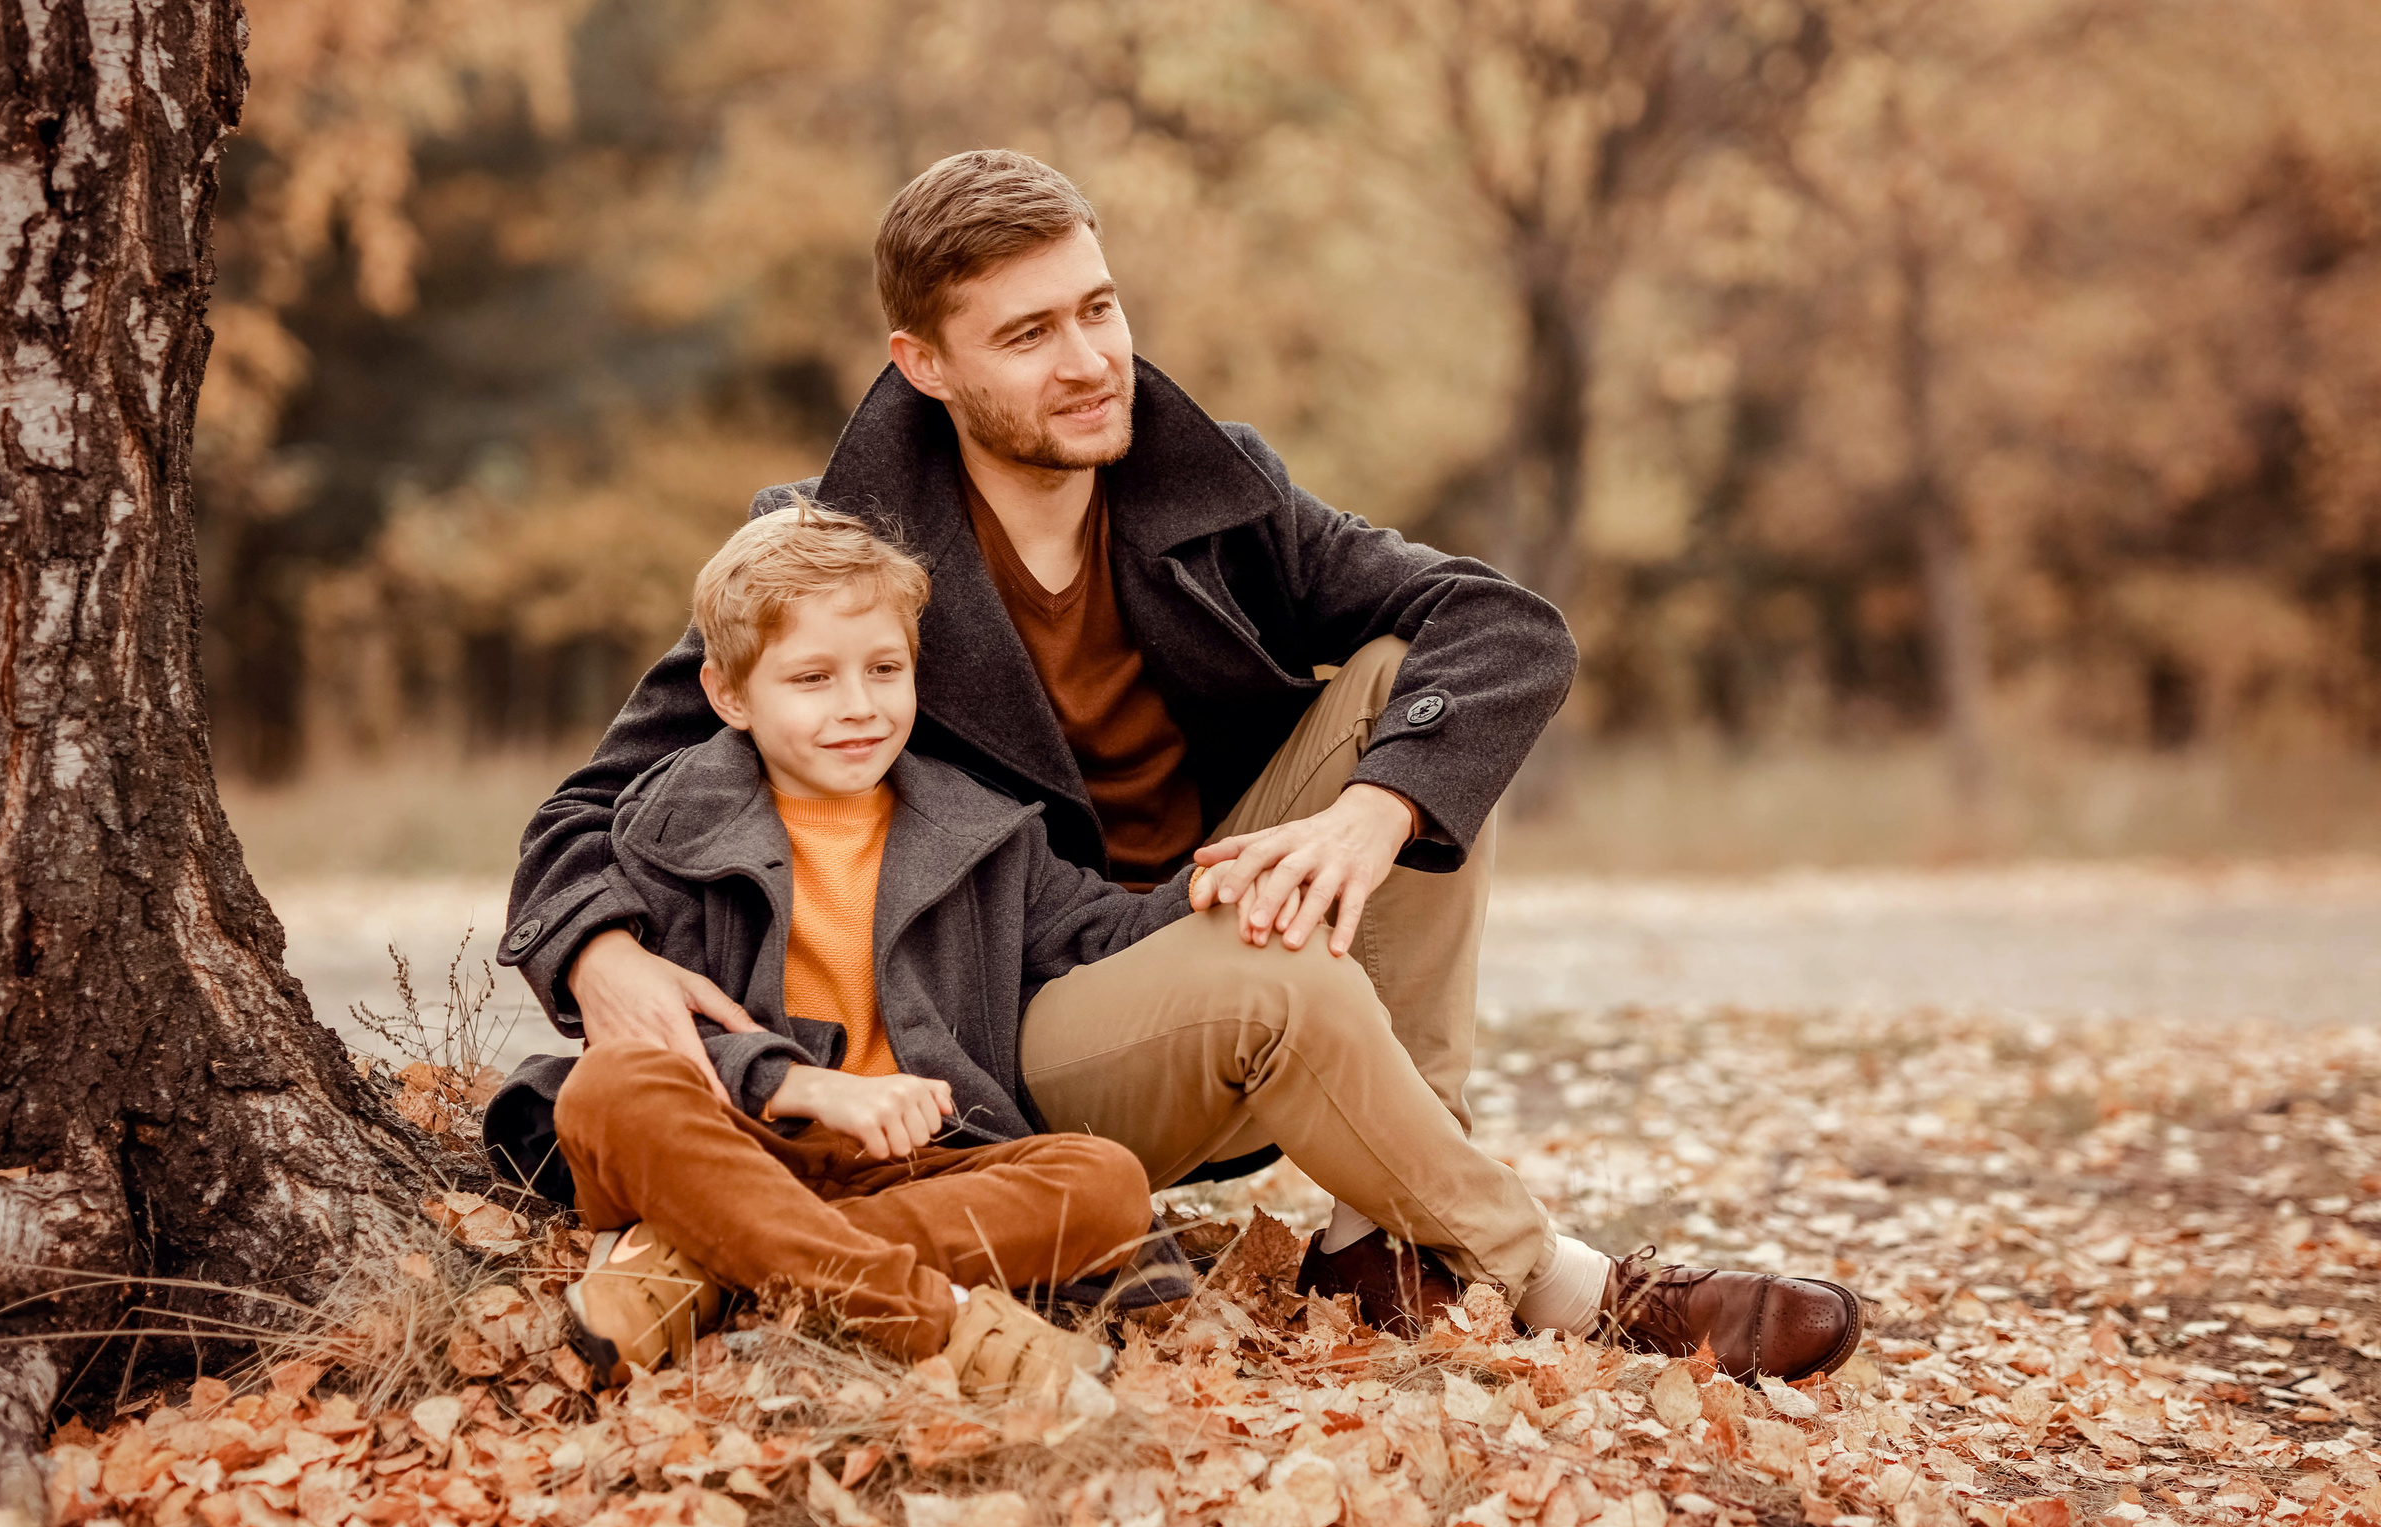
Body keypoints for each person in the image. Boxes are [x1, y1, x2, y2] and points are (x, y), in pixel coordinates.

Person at [504, 150, 1863, 1380]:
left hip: (1182, 914)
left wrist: (1371, 815)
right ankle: (1573, 1284)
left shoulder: (1215, 487)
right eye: (1028, 334)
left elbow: (1505, 625)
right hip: (1006, 1010)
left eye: (1098, 306)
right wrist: (600, 956)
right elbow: (596, 804)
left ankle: (1377, 1237)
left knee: (1415, 693)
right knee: (1279, 969)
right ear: (924, 364)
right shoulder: (837, 558)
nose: (1090, 359)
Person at [493, 500, 1191, 1398]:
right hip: (739, 1140)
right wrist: (808, 1086)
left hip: (920, 1168)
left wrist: (1209, 889)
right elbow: (657, 1035)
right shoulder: (669, 823)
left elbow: (1108, 930)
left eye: (884, 670)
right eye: (812, 679)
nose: (858, 707)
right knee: (607, 1088)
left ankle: (713, 1259)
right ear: (729, 695)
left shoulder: (984, 830)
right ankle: (947, 1326)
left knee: (1103, 1180)